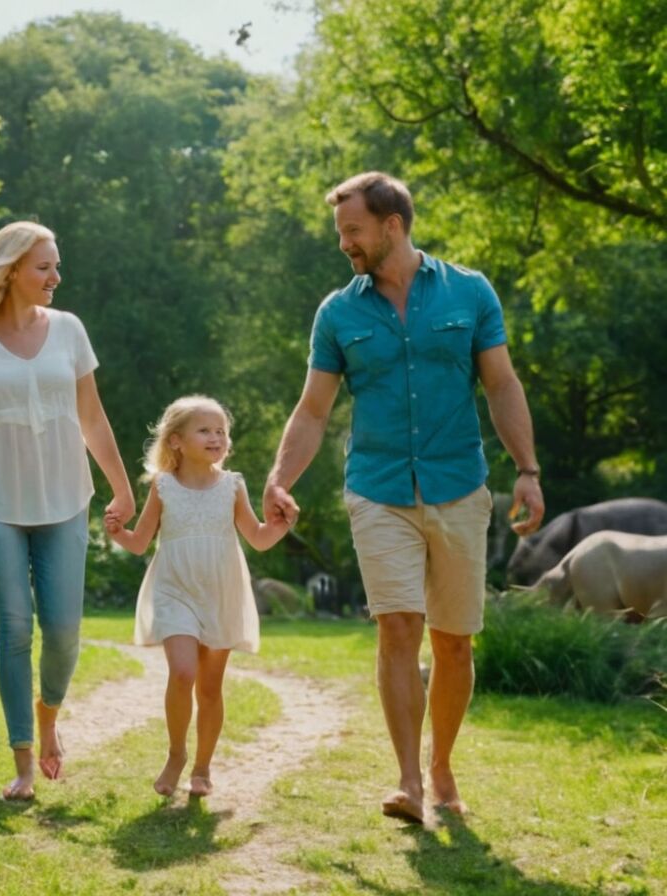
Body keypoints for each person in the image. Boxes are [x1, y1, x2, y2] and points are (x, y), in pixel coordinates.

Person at [262, 172, 545, 824]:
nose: (344, 244)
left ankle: (442, 763)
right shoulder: (339, 312)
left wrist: (527, 470)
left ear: (392, 225)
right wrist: (280, 477)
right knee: (398, 627)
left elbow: (501, 385)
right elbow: (312, 410)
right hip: (378, 488)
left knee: (453, 643)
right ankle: (409, 780)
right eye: (341, 233)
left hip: (457, 484)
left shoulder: (469, 293)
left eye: (352, 231)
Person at [0, 221, 135, 801]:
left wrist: (122, 488)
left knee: (65, 633)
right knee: (15, 628)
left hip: (64, 498)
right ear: (11, 271)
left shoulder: (70, 330)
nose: (56, 276)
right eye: (44, 267)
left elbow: (93, 417)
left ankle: (48, 714)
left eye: (56, 265)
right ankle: (24, 761)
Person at [105, 395, 293, 797]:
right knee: (183, 672)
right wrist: (118, 532)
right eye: (205, 430)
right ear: (176, 441)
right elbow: (140, 543)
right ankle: (176, 754)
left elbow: (258, 539)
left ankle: (203, 767)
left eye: (222, 431)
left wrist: (280, 525)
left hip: (221, 590)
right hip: (175, 588)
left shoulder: (233, 486)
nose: (216, 437)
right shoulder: (163, 486)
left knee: (209, 687)